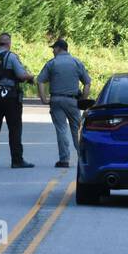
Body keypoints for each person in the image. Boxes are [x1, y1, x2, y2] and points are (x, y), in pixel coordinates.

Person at [0, 32, 35, 168]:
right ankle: (17, 160)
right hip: (10, 97)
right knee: (15, 129)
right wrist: (31, 77)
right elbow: (21, 75)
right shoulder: (11, 57)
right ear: (9, 44)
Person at [36, 38, 91, 168]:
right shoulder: (77, 63)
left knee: (61, 129)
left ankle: (64, 160)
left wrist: (43, 98)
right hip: (73, 101)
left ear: (59, 48)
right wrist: (83, 99)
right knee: (77, 130)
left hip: (56, 100)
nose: (53, 51)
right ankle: (83, 158)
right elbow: (87, 83)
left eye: (53, 49)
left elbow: (40, 81)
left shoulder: (52, 63)